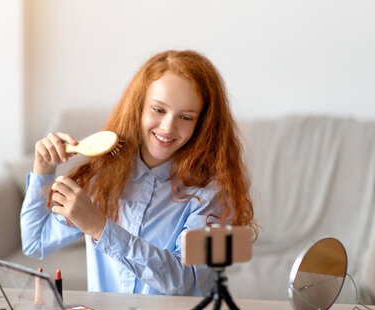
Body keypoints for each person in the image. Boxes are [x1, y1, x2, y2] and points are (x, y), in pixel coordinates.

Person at [21, 50, 255, 296]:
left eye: (185, 117)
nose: (168, 127)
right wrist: (43, 170)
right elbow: (35, 242)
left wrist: (100, 228)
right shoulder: (103, 176)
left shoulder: (211, 192)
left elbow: (187, 282)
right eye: (158, 110)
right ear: (139, 107)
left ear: (202, 124)